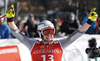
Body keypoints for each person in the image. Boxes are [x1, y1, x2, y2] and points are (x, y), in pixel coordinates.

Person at [6, 5, 98, 61]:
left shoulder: (60, 44)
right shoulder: (32, 44)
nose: (49, 34)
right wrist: (10, 20)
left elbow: (78, 32)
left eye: (51, 31)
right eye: (46, 32)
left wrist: (89, 21)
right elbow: (16, 33)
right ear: (40, 33)